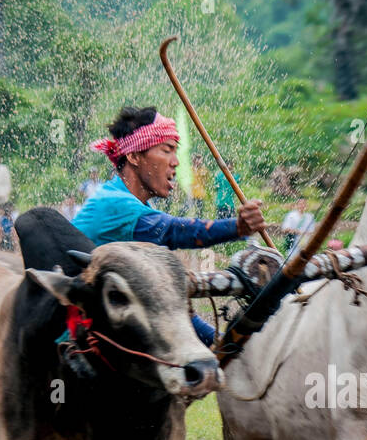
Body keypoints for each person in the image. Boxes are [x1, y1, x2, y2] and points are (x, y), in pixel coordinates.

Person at [70, 105, 267, 346]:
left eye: (176, 151)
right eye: (167, 150)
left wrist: (221, 345)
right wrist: (238, 227)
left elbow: (170, 303)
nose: (175, 162)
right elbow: (176, 231)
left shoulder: (142, 207)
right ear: (133, 157)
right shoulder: (114, 203)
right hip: (74, 343)